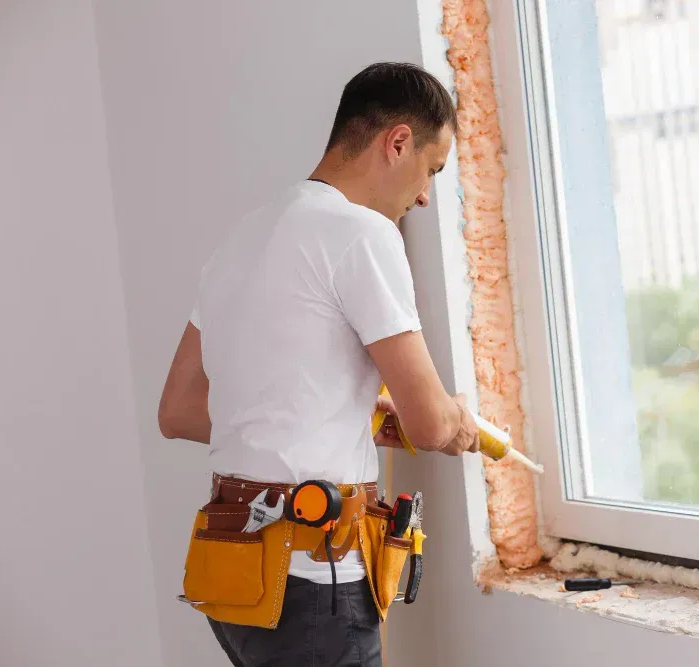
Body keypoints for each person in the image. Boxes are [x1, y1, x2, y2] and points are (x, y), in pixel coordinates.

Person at [158, 62, 480, 667]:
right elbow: (432, 424)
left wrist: (343, 416)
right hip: (311, 585)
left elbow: (177, 411)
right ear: (398, 141)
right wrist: (458, 417)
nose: (423, 196)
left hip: (233, 578)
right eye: (430, 171)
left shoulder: (240, 240)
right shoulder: (362, 234)